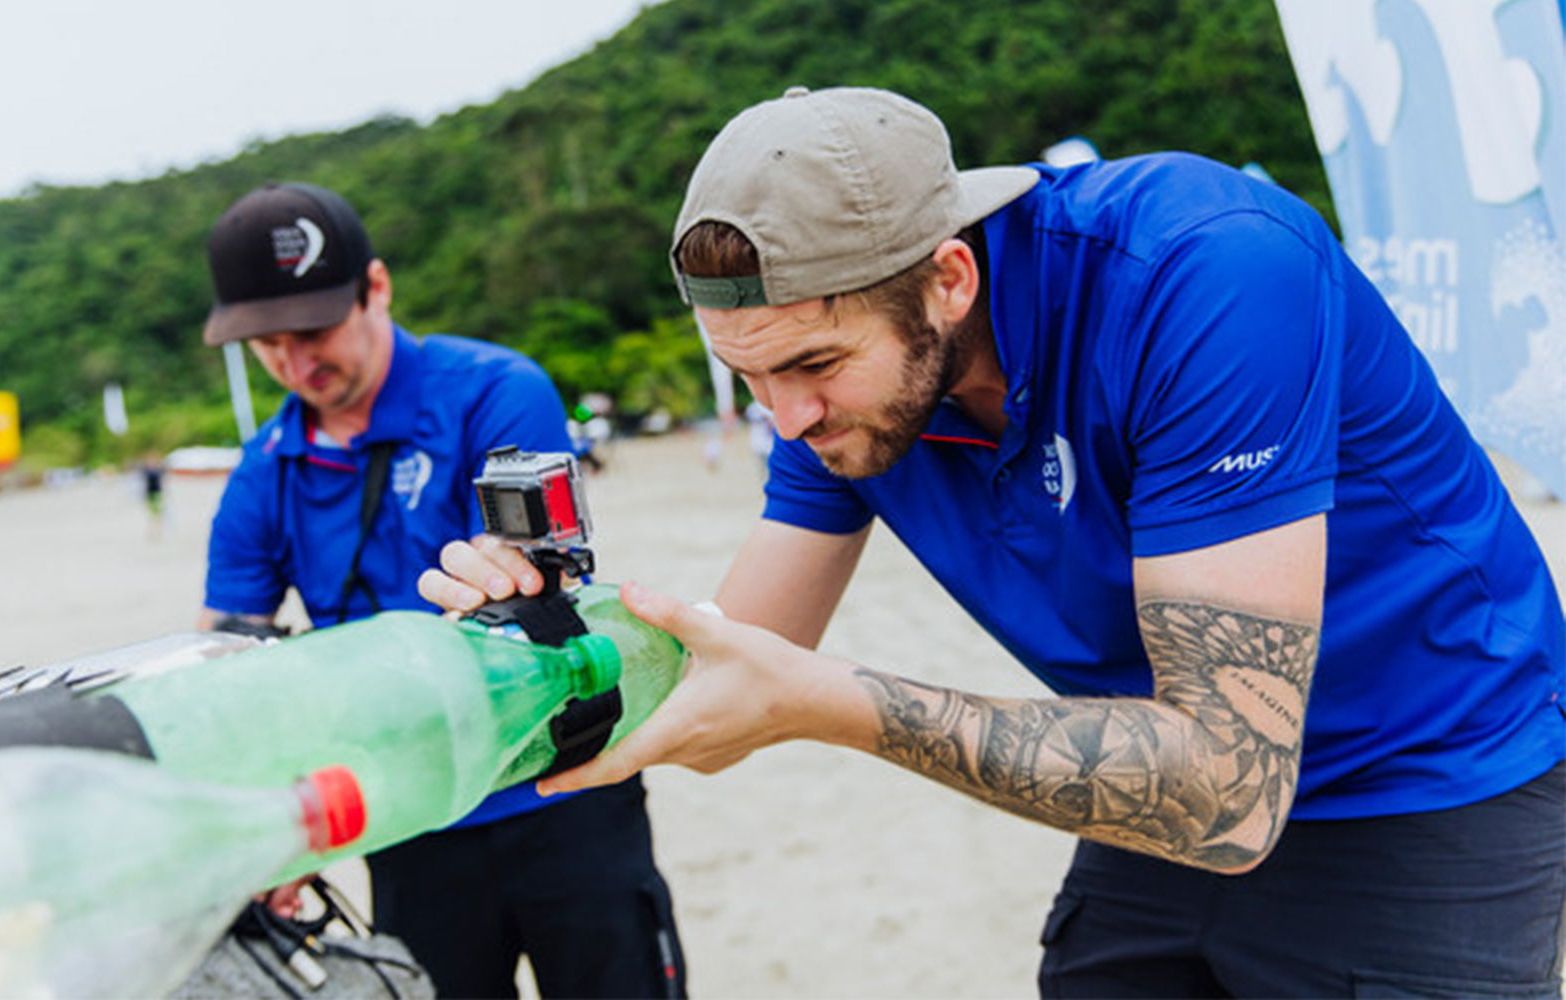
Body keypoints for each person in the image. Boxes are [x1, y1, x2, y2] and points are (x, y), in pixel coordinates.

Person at [422, 87, 1566, 997]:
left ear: (948, 278)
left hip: (1426, 774)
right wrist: (544, 639)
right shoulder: (841, 397)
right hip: (1149, 774)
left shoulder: (1204, 271)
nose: (788, 417)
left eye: (812, 368)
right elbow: (731, 659)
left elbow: (1227, 787)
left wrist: (834, 704)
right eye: (750, 376)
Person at [198, 182, 685, 999]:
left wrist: (510, 572)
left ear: (376, 288)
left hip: (564, 788)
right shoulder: (262, 472)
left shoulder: (494, 392)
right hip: (409, 816)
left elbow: (536, 589)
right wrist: (261, 830)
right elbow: (229, 653)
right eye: (267, 344)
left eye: (314, 329)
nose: (297, 362)